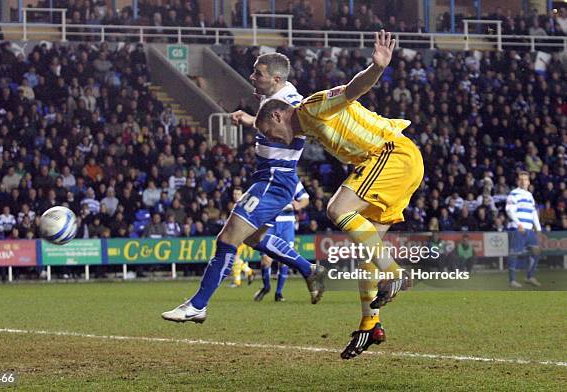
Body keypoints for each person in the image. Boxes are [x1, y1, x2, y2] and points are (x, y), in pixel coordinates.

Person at [254, 30, 424, 359]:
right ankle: (369, 324)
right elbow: (270, 119)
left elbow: (350, 91)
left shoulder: (312, 107)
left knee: (337, 208)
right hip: (398, 164)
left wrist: (377, 68)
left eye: (270, 132)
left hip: (391, 154)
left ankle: (395, 273)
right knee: (366, 252)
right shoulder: (309, 124)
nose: (274, 139)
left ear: (277, 116)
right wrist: (248, 119)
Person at [162, 53, 326, 324]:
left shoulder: (293, 103)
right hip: (267, 178)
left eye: (257, 73)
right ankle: (308, 269)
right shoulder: (273, 99)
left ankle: (198, 305)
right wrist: (251, 120)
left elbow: (303, 125)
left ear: (275, 79)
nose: (252, 77)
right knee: (252, 238)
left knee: (227, 239)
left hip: (274, 180)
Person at [254, 180, 309, 302]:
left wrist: (299, 205)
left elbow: (305, 198)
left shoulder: (292, 180)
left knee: (284, 260)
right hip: (269, 221)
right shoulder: (266, 178)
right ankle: (266, 286)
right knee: (266, 260)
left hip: (287, 224)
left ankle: (278, 293)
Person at [505, 172, 542, 288]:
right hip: (518, 228)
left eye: (525, 179)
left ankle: (529, 277)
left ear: (529, 182)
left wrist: (539, 229)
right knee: (514, 253)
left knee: (536, 251)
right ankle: (512, 280)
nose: (523, 181)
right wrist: (518, 223)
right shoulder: (513, 194)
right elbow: (509, 210)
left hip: (529, 229)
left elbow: (533, 212)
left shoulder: (530, 195)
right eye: (521, 179)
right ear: (518, 181)